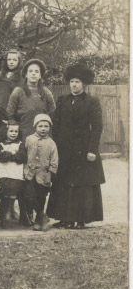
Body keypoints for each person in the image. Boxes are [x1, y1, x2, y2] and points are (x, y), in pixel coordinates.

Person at [47, 64, 105, 230]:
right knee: (64, 184)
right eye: (72, 81)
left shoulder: (92, 102)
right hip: (64, 150)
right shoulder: (62, 100)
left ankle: (81, 219)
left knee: (82, 186)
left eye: (77, 82)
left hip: (83, 150)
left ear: (84, 83)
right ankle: (65, 218)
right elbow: (55, 124)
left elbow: (97, 127)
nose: (74, 85)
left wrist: (92, 150)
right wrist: (56, 145)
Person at [24, 114, 58, 231]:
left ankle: (39, 220)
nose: (43, 129)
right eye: (40, 126)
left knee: (41, 197)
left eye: (46, 126)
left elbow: (54, 161)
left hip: (43, 176)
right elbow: (24, 156)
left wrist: (50, 174)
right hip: (29, 174)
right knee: (30, 197)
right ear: (35, 127)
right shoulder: (29, 139)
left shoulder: (51, 143)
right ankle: (42, 216)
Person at [6, 58, 56, 139]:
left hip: (43, 136)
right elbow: (10, 115)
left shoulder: (46, 92)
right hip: (24, 135)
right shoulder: (18, 92)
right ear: (26, 74)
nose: (33, 74)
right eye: (30, 71)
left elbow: (53, 114)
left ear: (40, 75)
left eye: (37, 72)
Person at [0, 120, 26, 228]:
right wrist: (13, 155)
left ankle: (11, 211)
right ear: (5, 131)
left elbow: (21, 157)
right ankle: (4, 215)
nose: (13, 133)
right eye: (11, 131)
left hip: (16, 173)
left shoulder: (21, 144)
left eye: (16, 131)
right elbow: (1, 157)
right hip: (3, 173)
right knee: (5, 188)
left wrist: (8, 155)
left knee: (15, 187)